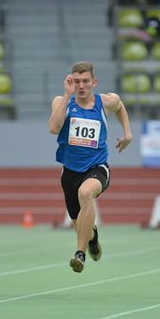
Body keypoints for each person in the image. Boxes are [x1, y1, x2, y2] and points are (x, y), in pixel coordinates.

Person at [49, 61, 132, 273]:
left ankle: (80, 254)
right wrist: (67, 96)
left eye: (85, 81)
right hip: (70, 172)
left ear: (94, 82)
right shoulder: (61, 102)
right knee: (80, 226)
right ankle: (92, 237)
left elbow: (120, 107)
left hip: (97, 167)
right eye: (76, 81)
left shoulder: (106, 102)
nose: (81, 86)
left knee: (86, 193)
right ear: (70, 82)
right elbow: (53, 128)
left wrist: (127, 134)